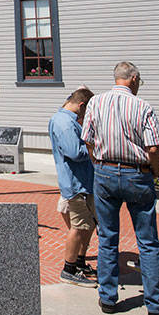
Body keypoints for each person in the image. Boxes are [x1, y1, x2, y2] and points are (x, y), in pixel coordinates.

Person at [81, 61, 159, 315]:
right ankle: (156, 305)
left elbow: (87, 139)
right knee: (147, 240)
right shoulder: (142, 106)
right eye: (138, 80)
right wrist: (154, 172)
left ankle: (108, 297)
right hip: (137, 173)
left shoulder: (95, 103)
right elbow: (154, 148)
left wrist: (97, 163)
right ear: (133, 79)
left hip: (105, 172)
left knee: (108, 237)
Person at [48, 86, 97, 286]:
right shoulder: (64, 123)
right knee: (78, 227)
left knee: (88, 225)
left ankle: (79, 262)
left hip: (83, 182)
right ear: (82, 105)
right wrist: (96, 148)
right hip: (75, 184)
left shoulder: (66, 120)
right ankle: (68, 269)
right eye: (88, 111)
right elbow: (74, 152)